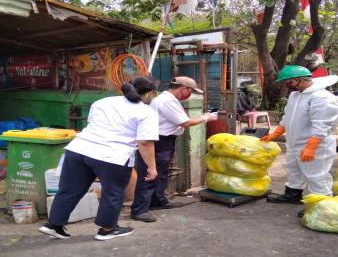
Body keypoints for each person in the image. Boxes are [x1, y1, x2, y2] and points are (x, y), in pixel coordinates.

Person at [38, 76, 159, 241]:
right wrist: (152, 167)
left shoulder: (103, 102)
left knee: (69, 189)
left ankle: (54, 225)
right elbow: (144, 142)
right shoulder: (146, 112)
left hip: (79, 150)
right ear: (149, 93)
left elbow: (92, 124)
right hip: (112, 156)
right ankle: (108, 229)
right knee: (113, 192)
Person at [131, 76, 217, 222]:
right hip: (158, 141)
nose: (190, 95)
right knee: (149, 174)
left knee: (161, 173)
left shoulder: (168, 100)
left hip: (165, 140)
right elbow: (185, 122)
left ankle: (158, 200)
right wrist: (205, 117)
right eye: (190, 91)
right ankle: (139, 210)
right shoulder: (167, 101)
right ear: (184, 89)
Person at [260, 65, 338, 214]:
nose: (287, 86)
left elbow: (321, 125)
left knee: (316, 175)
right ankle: (292, 195)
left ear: (298, 80)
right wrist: (276, 133)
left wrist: (311, 147)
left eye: (288, 82)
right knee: (294, 170)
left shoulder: (321, 98)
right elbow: (287, 118)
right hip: (295, 143)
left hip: (317, 146)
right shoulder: (296, 95)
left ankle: (320, 205)